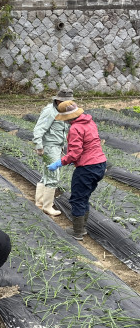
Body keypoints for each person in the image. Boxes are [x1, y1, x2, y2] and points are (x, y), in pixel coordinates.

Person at [47, 101, 107, 240]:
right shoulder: (90, 122)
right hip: (100, 164)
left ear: (68, 118)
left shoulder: (75, 128)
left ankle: (78, 232)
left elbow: (75, 153)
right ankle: (82, 228)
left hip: (87, 167)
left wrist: (59, 163)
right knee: (84, 196)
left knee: (77, 198)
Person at [33, 88, 73, 216]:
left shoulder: (61, 110)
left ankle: (39, 202)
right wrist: (39, 146)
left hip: (57, 147)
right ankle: (47, 206)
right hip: (50, 147)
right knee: (53, 175)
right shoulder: (50, 111)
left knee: (47, 174)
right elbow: (39, 129)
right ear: (58, 100)